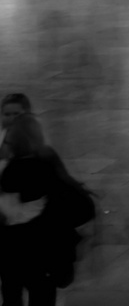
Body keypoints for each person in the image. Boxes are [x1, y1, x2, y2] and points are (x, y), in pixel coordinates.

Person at [1, 113, 95, 300]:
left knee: (12, 294)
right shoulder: (46, 161)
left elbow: (11, 213)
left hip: (16, 247)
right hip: (45, 248)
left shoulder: (13, 171)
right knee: (42, 294)